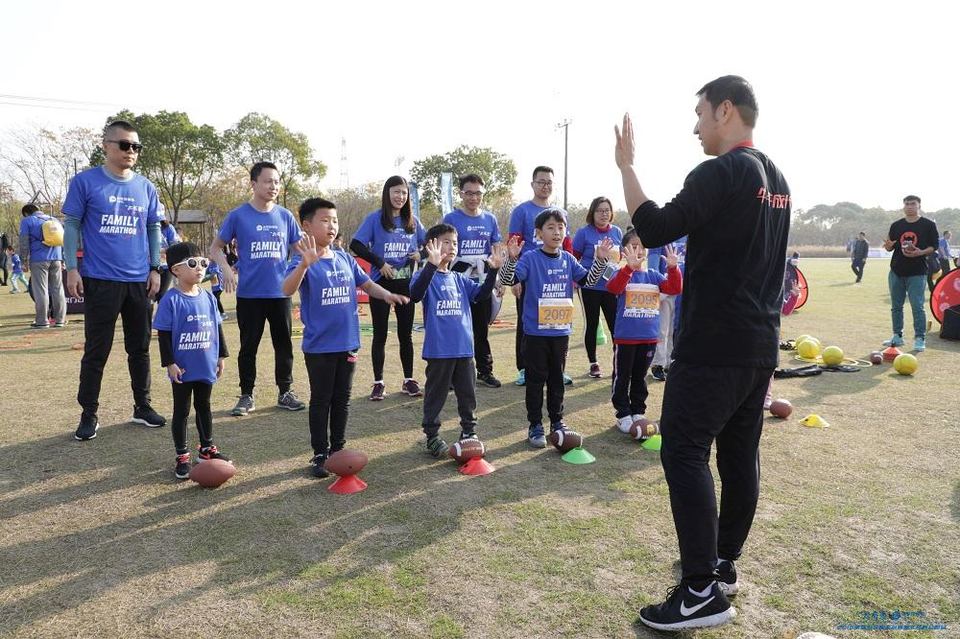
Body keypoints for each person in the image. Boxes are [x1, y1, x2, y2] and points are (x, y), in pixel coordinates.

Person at [615, 75, 791, 631]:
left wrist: (626, 168)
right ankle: (721, 563)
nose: (695, 127)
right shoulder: (779, 178)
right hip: (758, 344)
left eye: (699, 115)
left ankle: (698, 593)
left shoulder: (721, 170)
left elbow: (659, 226)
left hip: (714, 343)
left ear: (726, 110)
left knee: (684, 453)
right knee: (739, 456)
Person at [283, 198, 409, 478]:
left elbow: (366, 283)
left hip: (348, 343)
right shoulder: (300, 259)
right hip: (319, 347)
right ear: (307, 225)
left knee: (342, 399)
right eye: (325, 220)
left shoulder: (343, 257)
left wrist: (386, 294)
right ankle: (319, 453)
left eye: (335, 221)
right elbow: (285, 289)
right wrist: (304, 264)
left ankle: (338, 449)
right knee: (321, 400)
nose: (331, 226)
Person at [63, 119, 167, 441]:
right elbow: (71, 226)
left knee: (140, 349)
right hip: (99, 280)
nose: (131, 151)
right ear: (106, 146)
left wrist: (154, 268)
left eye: (136, 146)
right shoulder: (85, 182)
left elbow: (152, 229)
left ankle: (142, 407)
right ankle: (89, 414)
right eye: (124, 145)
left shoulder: (146, 187)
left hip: (138, 282)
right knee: (97, 350)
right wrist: (71, 268)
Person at [499, 209, 612, 448]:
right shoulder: (529, 258)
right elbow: (509, 279)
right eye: (550, 227)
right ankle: (535, 425)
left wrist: (601, 260)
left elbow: (589, 281)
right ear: (539, 233)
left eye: (560, 227)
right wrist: (511, 258)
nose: (557, 232)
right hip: (535, 333)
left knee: (557, 380)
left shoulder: (568, 259)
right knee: (535, 380)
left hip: (560, 333)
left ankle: (557, 421)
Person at [209, 161, 306, 416]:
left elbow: (300, 251)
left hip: (280, 294)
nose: (273, 186)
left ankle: (285, 392)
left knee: (283, 344)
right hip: (250, 295)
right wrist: (227, 269)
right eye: (267, 181)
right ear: (254, 184)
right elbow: (215, 248)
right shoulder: (238, 215)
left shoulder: (285, 216)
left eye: (276, 181)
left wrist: (298, 271)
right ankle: (246, 395)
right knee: (248, 346)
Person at [410, 223, 501, 457]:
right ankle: (432, 435)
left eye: (455, 242)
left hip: (464, 350)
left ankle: (469, 432)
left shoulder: (459, 279)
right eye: (446, 241)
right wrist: (430, 265)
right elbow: (415, 294)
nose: (452, 246)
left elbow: (481, 296)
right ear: (432, 245)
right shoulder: (424, 276)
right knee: (436, 394)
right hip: (439, 351)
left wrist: (492, 272)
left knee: (467, 394)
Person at [153, 242, 230, 479]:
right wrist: (169, 363)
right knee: (182, 410)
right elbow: (163, 334)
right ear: (176, 270)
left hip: (205, 363)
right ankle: (182, 455)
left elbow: (217, 327)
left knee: (204, 406)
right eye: (193, 264)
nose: (200, 268)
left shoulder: (207, 297)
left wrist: (221, 356)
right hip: (183, 367)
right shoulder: (170, 300)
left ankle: (206, 449)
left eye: (203, 263)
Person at [350, 176, 426, 401]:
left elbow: (433, 241)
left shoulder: (413, 221)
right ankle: (378, 382)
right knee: (380, 334)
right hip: (380, 285)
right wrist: (379, 263)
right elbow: (356, 245)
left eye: (404, 193)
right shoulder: (375, 219)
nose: (400, 197)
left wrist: (420, 254)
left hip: (406, 285)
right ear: (387, 193)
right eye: (396, 192)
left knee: (406, 334)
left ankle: (409, 380)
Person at [605, 231, 681, 434]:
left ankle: (638, 410)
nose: (639, 250)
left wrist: (673, 268)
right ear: (624, 251)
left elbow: (674, 288)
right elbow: (613, 288)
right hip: (625, 339)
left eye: (642, 246)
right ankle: (622, 413)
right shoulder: (620, 273)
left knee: (640, 377)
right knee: (622, 377)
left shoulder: (653, 275)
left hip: (648, 338)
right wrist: (628, 268)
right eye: (634, 246)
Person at [507, 166, 574, 387]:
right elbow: (515, 244)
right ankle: (525, 368)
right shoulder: (522, 211)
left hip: (556, 277)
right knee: (526, 322)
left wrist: (572, 276)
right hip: (529, 275)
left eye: (549, 182)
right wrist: (516, 280)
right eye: (541, 181)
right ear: (533, 184)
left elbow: (568, 246)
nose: (545, 186)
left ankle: (558, 368)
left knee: (559, 321)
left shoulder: (560, 213)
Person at [442, 174, 503, 388]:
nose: (473, 197)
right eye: (469, 193)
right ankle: (451, 375)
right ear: (461, 194)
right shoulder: (451, 218)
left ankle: (485, 371)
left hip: (483, 281)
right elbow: (443, 247)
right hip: (458, 281)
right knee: (456, 327)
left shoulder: (490, 219)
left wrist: (498, 280)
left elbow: (496, 250)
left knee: (481, 328)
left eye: (477, 193)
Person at [572, 196, 623, 378]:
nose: (604, 214)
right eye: (600, 211)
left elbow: (620, 257)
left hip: (611, 287)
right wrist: (575, 281)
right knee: (592, 324)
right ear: (592, 213)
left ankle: (618, 364)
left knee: (616, 326)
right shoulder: (583, 233)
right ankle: (593, 363)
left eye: (607, 210)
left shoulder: (617, 232)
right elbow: (574, 258)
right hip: (589, 287)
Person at [882, 195, 939, 352]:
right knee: (896, 306)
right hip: (896, 270)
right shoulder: (896, 225)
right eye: (906, 204)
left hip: (917, 271)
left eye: (913, 204)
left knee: (917, 306)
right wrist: (887, 246)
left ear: (919, 206)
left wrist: (921, 252)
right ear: (903, 206)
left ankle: (920, 338)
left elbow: (934, 246)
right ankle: (897, 336)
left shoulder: (928, 225)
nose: (909, 206)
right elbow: (889, 247)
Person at [18, 204, 67, 328]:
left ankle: (42, 321)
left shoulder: (27, 221)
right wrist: (63, 259)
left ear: (26, 213)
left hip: (39, 259)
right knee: (58, 289)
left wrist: (23, 260)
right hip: (56, 257)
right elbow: (63, 239)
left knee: (41, 289)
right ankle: (60, 320)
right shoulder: (54, 219)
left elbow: (24, 242)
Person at [647, 236, 687, 381]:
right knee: (663, 329)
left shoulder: (690, 230)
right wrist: (656, 286)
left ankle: (671, 361)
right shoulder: (662, 230)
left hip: (684, 288)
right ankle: (658, 363)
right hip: (666, 287)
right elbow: (652, 263)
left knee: (676, 328)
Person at [155, 215, 180, 303]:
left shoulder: (169, 228)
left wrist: (161, 251)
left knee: (162, 295)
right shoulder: (146, 225)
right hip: (148, 267)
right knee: (149, 296)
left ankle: (162, 316)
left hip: (165, 266)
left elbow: (175, 246)